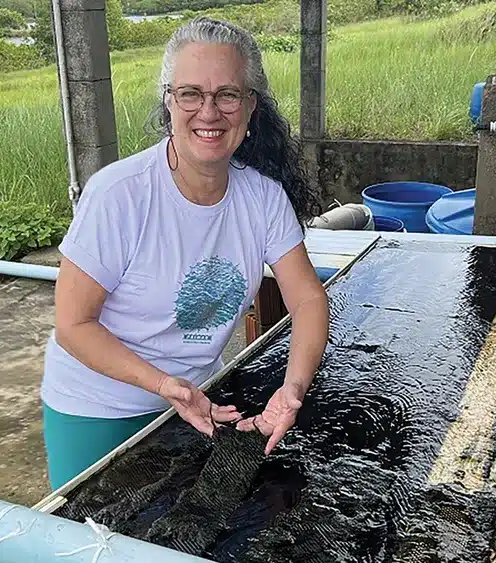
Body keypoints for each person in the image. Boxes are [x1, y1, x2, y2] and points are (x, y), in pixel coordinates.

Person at [40, 15, 330, 491]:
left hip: (199, 402)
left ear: (250, 106)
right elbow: (73, 326)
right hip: (98, 409)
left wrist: (292, 389)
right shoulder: (120, 195)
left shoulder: (262, 197)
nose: (209, 112)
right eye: (190, 93)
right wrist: (163, 385)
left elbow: (308, 300)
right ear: (169, 101)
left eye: (227, 95)